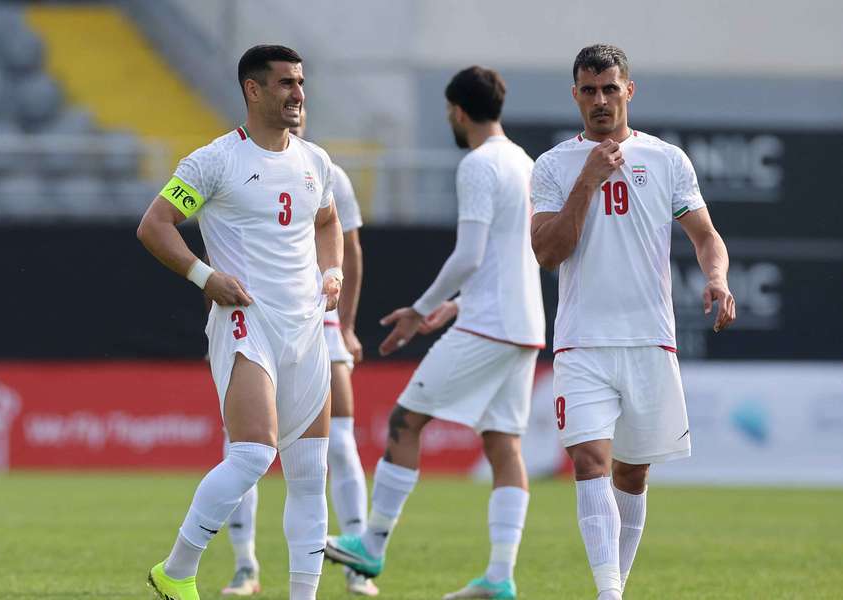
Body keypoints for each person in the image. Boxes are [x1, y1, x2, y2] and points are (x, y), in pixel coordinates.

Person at [325, 66, 545, 600]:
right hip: (525, 325)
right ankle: (500, 576)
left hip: (490, 325)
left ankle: (371, 545)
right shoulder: (525, 162)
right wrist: (456, 304)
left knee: (406, 420)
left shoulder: (478, 164)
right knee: (503, 444)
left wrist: (420, 310)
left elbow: (469, 255)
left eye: (450, 112)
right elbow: (515, 255)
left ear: (458, 112)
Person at [137, 44, 344, 600]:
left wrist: (333, 272)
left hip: (306, 329)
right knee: (253, 453)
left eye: (301, 82)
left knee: (310, 474)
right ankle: (177, 570)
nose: (298, 93)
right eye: (285, 83)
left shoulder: (315, 161)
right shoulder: (215, 160)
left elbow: (329, 222)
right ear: (253, 90)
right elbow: (155, 224)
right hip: (246, 322)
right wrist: (205, 277)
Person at [529, 44, 736, 599]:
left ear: (629, 90)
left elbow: (705, 236)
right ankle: (609, 594)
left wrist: (717, 277)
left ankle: (614, 586)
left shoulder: (666, 160)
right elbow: (548, 253)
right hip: (582, 342)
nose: (600, 100)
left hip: (649, 339)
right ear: (575, 95)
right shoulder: (553, 165)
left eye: (610, 88)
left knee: (632, 472)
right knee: (589, 462)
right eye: (589, 90)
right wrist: (588, 179)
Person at [220, 111, 378, 597]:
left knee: (340, 440)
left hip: (319, 320)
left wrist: (347, 324)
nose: (295, 111)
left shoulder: (326, 170)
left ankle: (356, 559)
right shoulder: (239, 166)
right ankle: (245, 563)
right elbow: (225, 246)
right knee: (244, 445)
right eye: (286, 88)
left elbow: (349, 249)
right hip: (261, 319)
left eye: (301, 97)